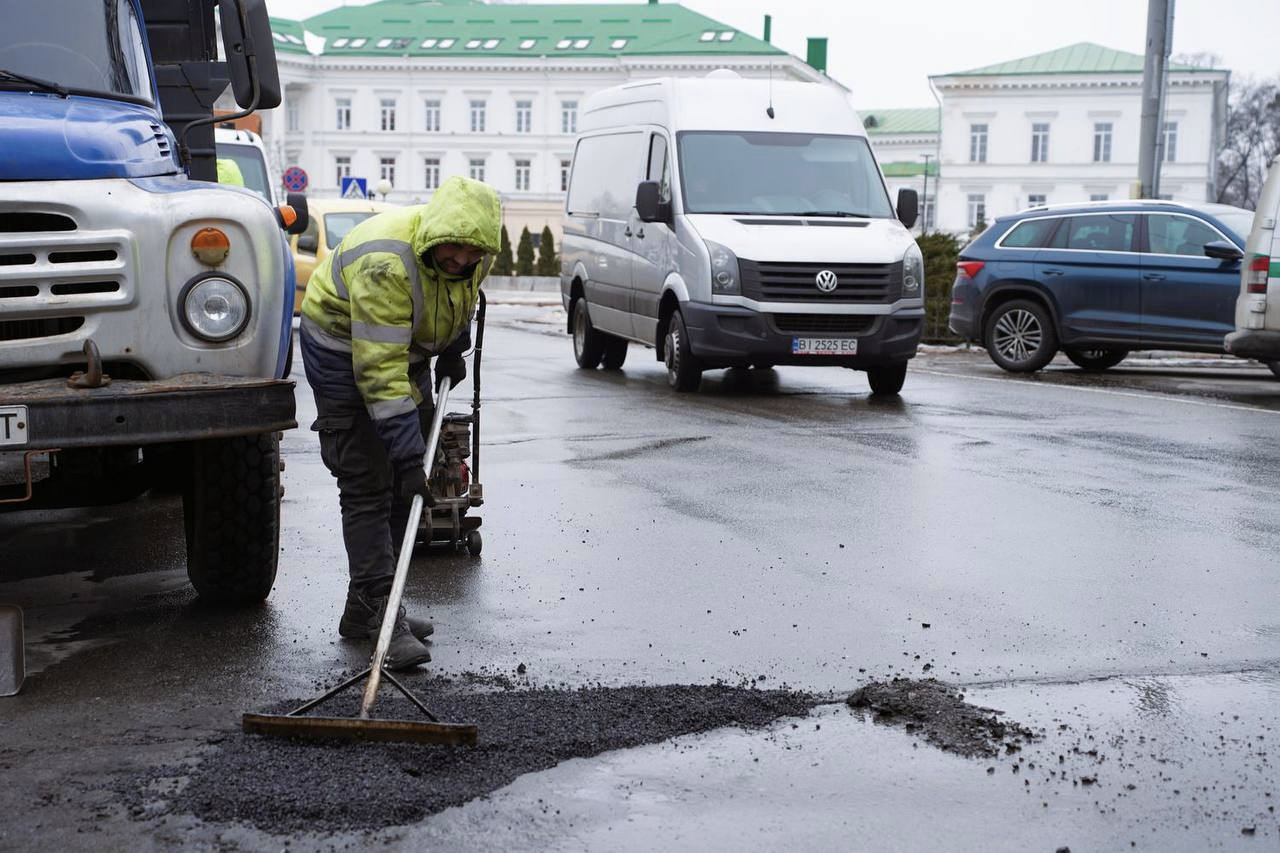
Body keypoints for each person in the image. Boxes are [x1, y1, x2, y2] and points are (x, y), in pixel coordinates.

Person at [299, 176, 501, 669]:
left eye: (468, 257)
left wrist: (452, 347)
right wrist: (408, 456)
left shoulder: (476, 253)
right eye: (450, 255)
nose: (459, 263)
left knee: (402, 490)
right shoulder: (387, 263)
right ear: (434, 236)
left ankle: (368, 607)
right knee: (371, 481)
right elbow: (378, 371)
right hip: (344, 350)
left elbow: (458, 297)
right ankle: (378, 614)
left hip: (403, 349)